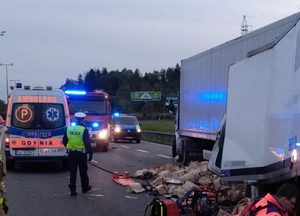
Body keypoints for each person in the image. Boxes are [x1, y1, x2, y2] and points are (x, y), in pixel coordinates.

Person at [63, 112, 93, 196]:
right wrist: (90, 153)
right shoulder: (84, 129)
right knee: (83, 172)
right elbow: (87, 143)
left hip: (71, 153)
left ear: (75, 119)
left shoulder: (69, 128)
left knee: (73, 172)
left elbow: (64, 140)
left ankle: (73, 190)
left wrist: (69, 148)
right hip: (81, 154)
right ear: (83, 119)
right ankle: (84, 187)